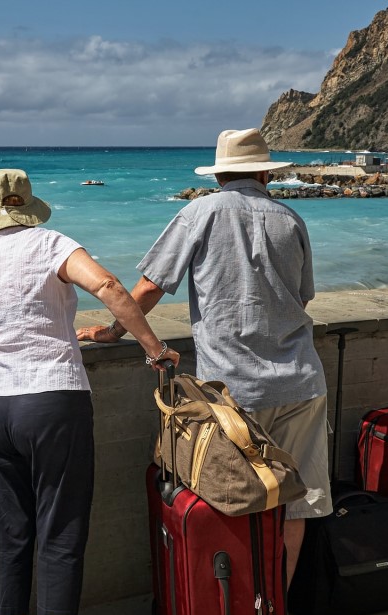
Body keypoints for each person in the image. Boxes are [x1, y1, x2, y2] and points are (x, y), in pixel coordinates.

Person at [77, 128, 331, 588]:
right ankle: (276, 612)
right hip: (301, 382)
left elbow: (151, 285)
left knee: (234, 500)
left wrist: (115, 330)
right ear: (264, 172)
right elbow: (303, 299)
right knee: (299, 504)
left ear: (219, 175)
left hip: (232, 392)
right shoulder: (290, 219)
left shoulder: (200, 212)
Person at [0, 168, 179, 615]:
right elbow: (109, 285)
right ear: (29, 207)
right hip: (53, 398)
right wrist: (154, 349)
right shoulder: (52, 244)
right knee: (60, 519)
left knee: (9, 525)